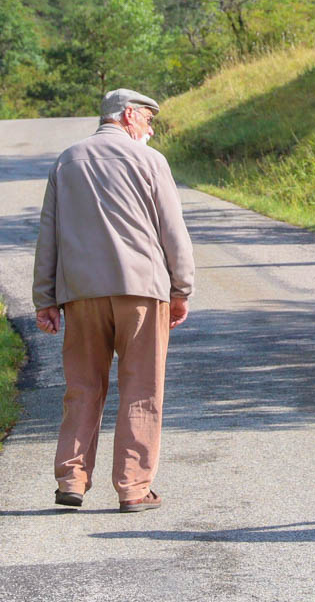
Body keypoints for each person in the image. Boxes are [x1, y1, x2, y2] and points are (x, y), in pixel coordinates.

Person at [32, 88, 195, 512]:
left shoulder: (68, 161)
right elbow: (173, 233)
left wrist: (44, 298)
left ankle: (71, 479)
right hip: (141, 291)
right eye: (147, 118)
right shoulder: (151, 161)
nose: (151, 128)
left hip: (81, 294)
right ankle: (134, 488)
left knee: (82, 386)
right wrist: (182, 290)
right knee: (142, 388)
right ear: (127, 116)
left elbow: (48, 233)